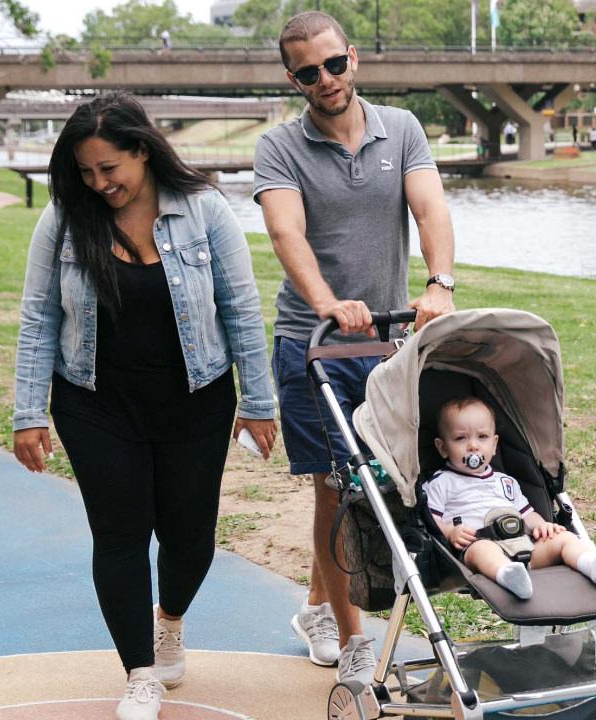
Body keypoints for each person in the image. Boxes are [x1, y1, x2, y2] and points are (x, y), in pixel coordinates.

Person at [12, 92, 276, 720]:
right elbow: (38, 317)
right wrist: (28, 412)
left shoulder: (205, 210)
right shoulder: (64, 219)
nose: (99, 184)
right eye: (85, 172)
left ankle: (170, 619)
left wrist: (259, 403)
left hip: (196, 399)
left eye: (110, 169)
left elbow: (240, 309)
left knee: (192, 540)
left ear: (143, 150)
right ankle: (139, 671)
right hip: (94, 403)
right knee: (120, 536)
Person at [253, 10, 455, 685]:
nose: (325, 80)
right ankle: (352, 640)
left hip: (390, 338)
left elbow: (429, 210)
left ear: (354, 59)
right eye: (308, 73)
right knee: (336, 489)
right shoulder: (279, 148)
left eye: (334, 64)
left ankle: (316, 603)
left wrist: (440, 283)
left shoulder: (402, 129)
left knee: (377, 484)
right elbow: (288, 235)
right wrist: (325, 303)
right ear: (293, 79)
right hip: (314, 344)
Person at [418, 397, 596, 599]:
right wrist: (449, 531)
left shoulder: (505, 482)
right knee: (484, 549)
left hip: (523, 546)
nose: (473, 446)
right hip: (476, 549)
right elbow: (429, 518)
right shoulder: (441, 482)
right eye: (460, 438)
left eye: (482, 437)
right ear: (442, 447)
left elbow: (527, 514)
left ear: (494, 444)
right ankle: (507, 576)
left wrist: (543, 526)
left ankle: (593, 564)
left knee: (563, 539)